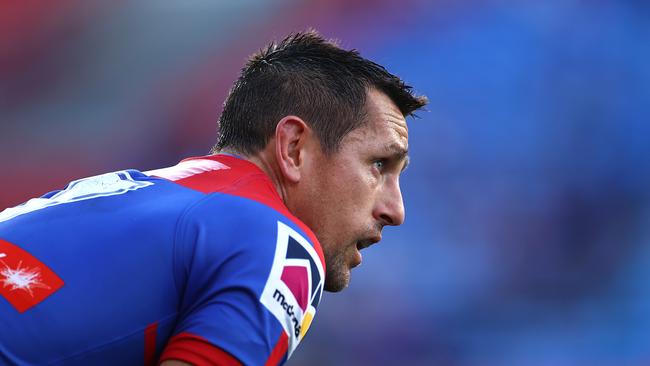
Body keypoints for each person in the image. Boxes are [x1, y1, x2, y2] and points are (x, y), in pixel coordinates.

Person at [0, 30, 426, 365]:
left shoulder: (112, 192)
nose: (396, 210)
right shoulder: (278, 242)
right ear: (294, 148)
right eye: (378, 165)